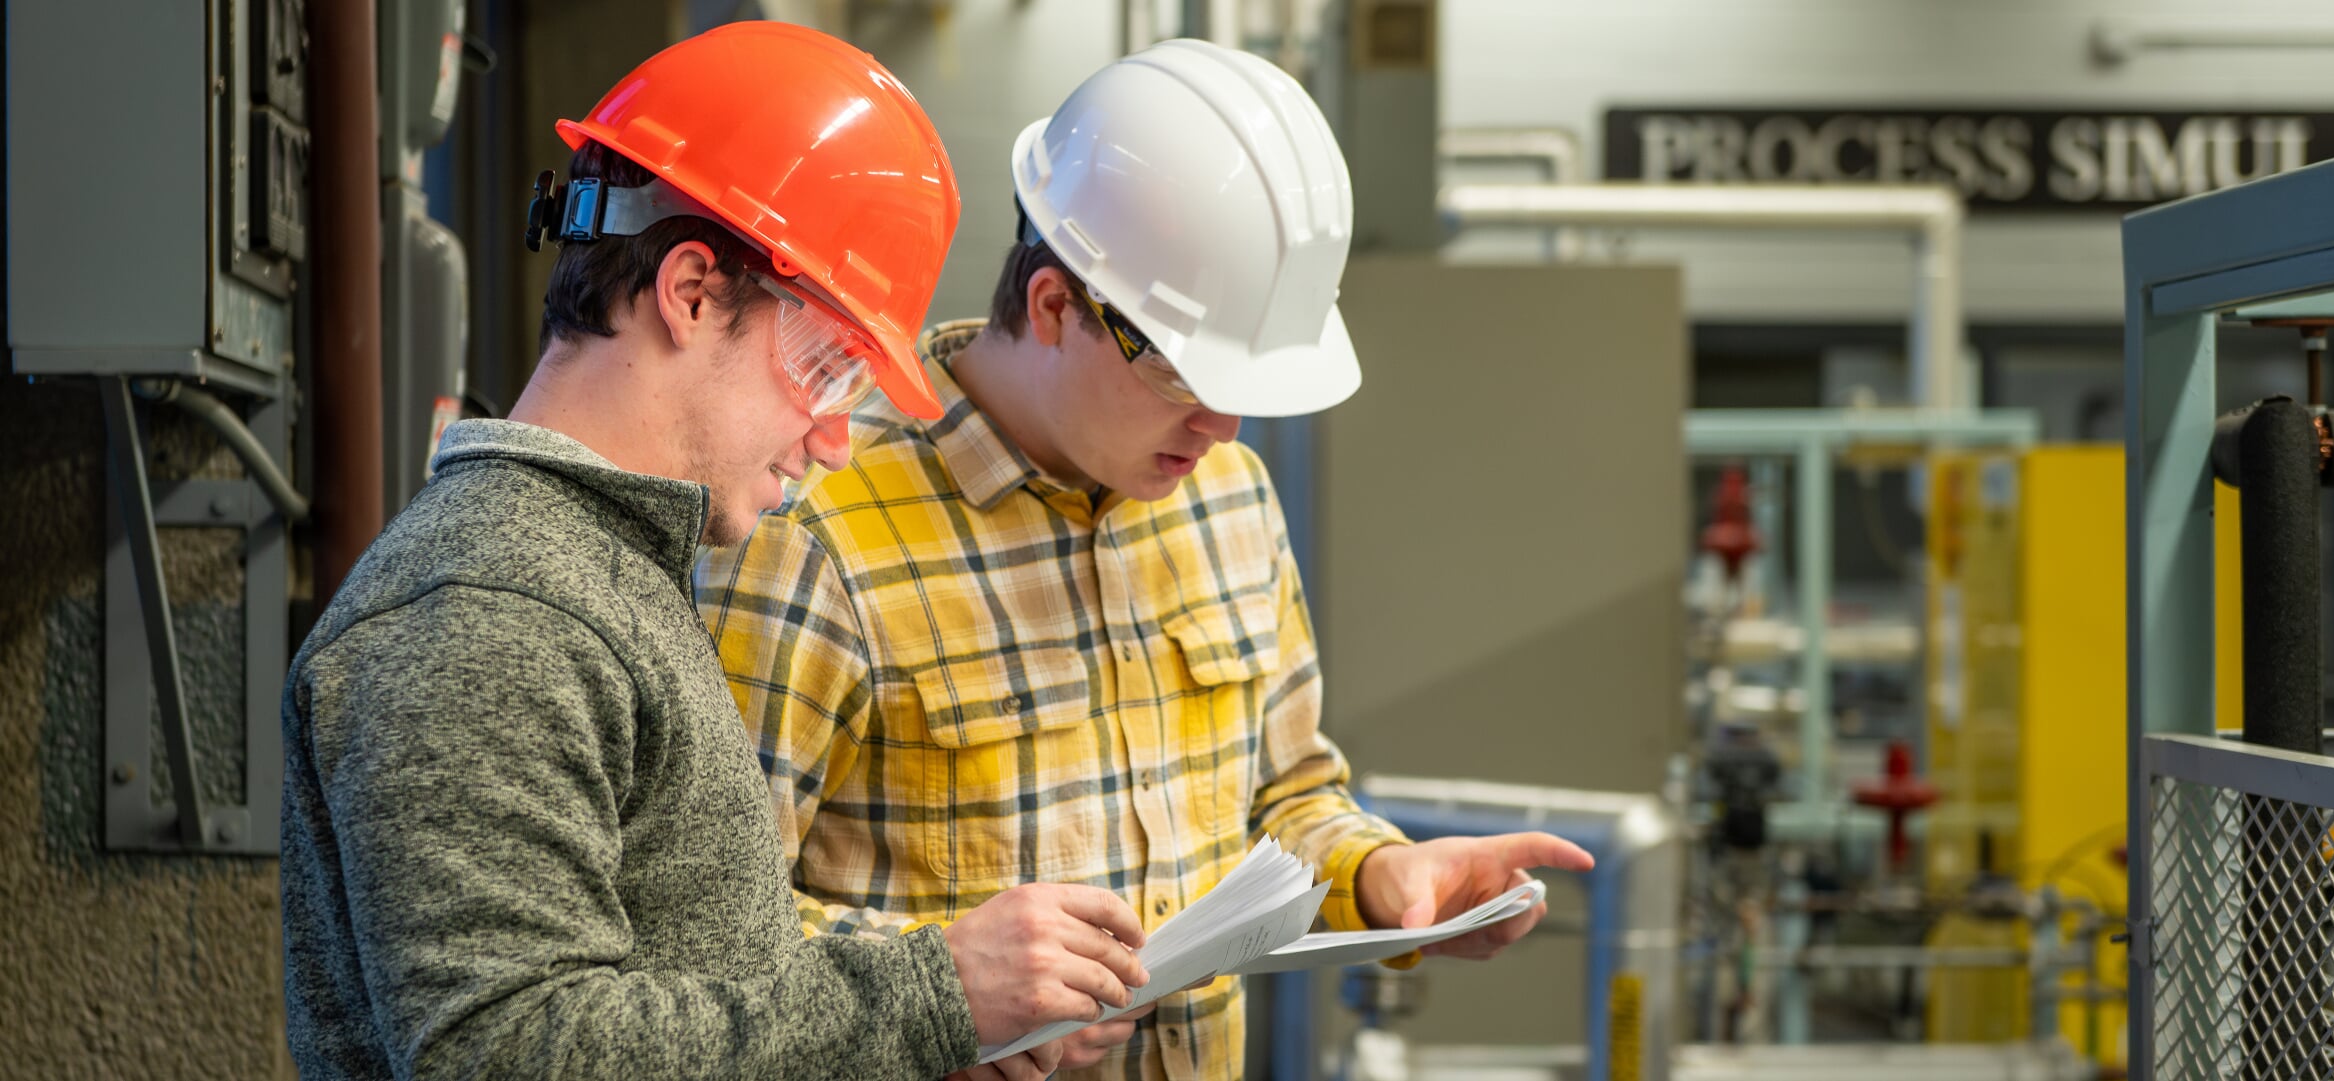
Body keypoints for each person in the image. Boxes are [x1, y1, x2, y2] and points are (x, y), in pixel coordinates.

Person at [693, 38, 1593, 1080]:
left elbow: (1284, 797)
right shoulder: (815, 532)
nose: (1225, 425)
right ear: (1055, 308)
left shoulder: (1230, 501)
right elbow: (706, 924)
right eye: (1189, 377)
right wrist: (941, 996)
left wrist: (1381, 875)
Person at [279, 23, 1148, 1081]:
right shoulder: (490, 605)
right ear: (691, 291)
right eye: (827, 365)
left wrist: (938, 1034)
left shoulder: (601, 572)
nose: (837, 438)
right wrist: (929, 995)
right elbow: (505, 1051)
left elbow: (689, 987)